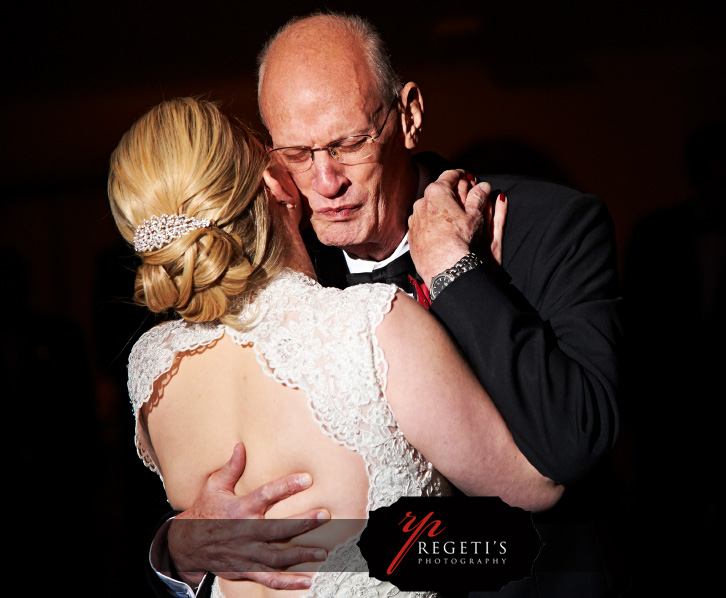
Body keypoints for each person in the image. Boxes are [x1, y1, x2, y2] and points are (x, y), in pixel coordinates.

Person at [149, 12, 625, 598]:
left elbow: (574, 445)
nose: (325, 181)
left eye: (348, 143)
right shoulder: (277, 284)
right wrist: (179, 550)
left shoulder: (548, 225)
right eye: (297, 153)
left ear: (409, 115)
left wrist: (456, 272)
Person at [110, 96, 562, 598]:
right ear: (273, 183)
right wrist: (475, 295)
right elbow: (537, 487)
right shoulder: (372, 326)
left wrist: (177, 544)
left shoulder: (153, 365)